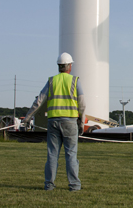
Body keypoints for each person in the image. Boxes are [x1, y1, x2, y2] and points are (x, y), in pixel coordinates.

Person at [23, 52, 86, 191]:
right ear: (69, 66)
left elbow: (38, 101)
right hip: (70, 122)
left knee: (52, 154)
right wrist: (81, 121)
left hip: (53, 122)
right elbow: (82, 103)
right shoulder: (75, 81)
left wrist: (27, 118)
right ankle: (74, 186)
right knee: (71, 154)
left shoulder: (51, 81)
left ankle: (49, 185)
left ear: (59, 66)